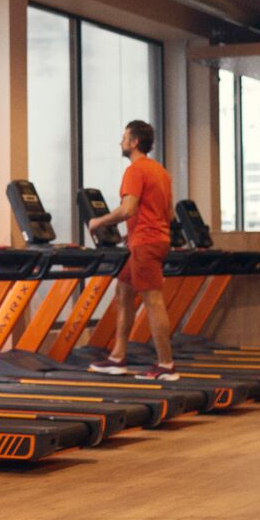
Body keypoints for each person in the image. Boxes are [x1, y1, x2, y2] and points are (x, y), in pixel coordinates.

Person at [83, 120, 179, 381]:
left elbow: (128, 209)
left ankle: (166, 365)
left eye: (124, 137)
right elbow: (168, 215)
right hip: (150, 240)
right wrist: (133, 232)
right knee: (123, 291)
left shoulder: (135, 170)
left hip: (146, 243)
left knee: (153, 300)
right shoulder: (161, 172)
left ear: (134, 142)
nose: (121, 142)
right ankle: (117, 357)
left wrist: (98, 222)